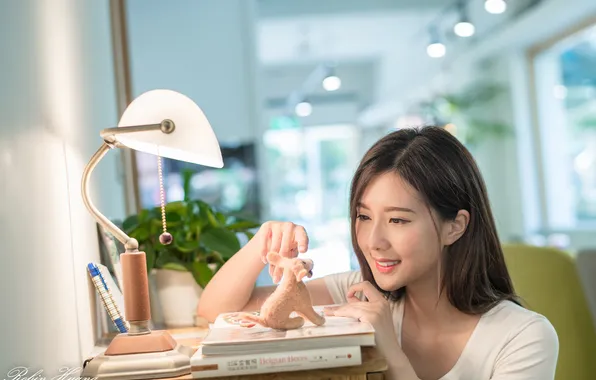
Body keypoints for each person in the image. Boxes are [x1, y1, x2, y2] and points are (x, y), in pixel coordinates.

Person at [198, 126, 559, 380]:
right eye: (364, 216)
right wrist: (261, 242)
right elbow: (216, 311)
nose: (373, 241)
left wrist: (391, 352)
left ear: (456, 226)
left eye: (399, 220)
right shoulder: (357, 293)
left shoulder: (523, 337)